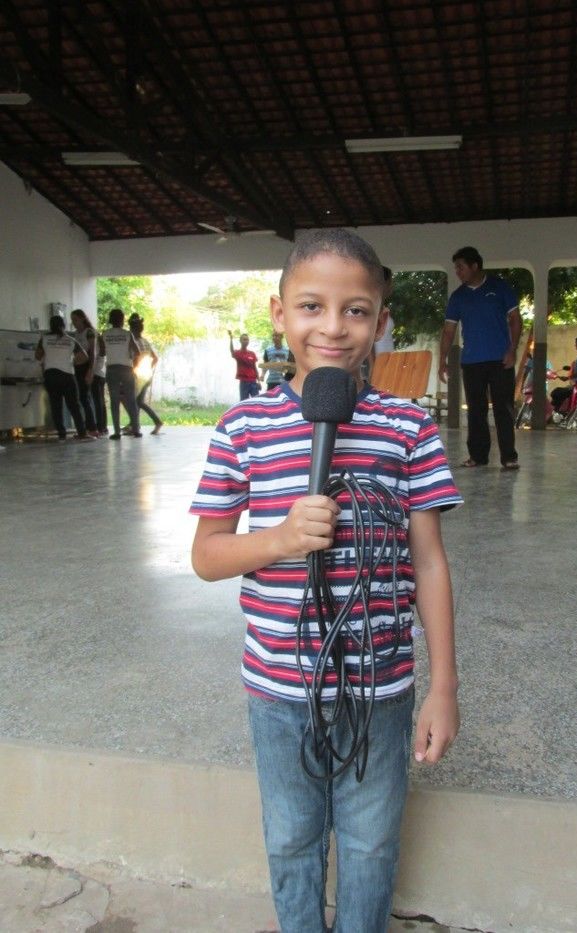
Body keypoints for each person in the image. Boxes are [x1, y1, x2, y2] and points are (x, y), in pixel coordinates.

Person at [190, 229, 462, 933]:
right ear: (279, 313)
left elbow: (429, 560)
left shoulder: (407, 427)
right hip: (280, 688)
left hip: (381, 689)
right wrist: (280, 538)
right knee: (291, 839)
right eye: (312, 306)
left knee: (371, 843)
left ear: (381, 320)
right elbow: (207, 554)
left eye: (357, 310)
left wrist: (443, 686)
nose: (333, 328)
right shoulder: (242, 427)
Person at [438, 246, 522, 470]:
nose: (458, 271)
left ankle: (509, 457)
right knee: (476, 410)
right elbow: (448, 331)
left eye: (461, 267)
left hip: (500, 360)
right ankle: (478, 456)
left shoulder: (500, 287)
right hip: (472, 361)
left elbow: (515, 319)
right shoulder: (458, 297)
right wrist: (442, 361)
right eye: (456, 268)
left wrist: (512, 350)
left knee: (503, 409)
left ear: (475, 266)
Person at [35, 315, 91, 441]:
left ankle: (61, 434)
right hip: (67, 376)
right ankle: (82, 432)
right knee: (74, 405)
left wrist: (48, 357)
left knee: (56, 405)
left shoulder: (44, 339)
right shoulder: (70, 340)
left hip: (50, 375)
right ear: (63, 325)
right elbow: (85, 356)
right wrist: (72, 362)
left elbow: (38, 356)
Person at [103, 308, 141, 440]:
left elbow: (102, 352)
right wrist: (130, 359)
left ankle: (117, 432)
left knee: (114, 401)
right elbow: (137, 351)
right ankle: (136, 430)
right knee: (131, 399)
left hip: (112, 369)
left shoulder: (105, 334)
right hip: (126, 369)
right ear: (122, 319)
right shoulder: (127, 334)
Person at [127, 314, 164, 435]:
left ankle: (156, 422)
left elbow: (133, 359)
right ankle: (133, 425)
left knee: (137, 402)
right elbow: (155, 358)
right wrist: (150, 369)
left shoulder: (133, 342)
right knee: (136, 402)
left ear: (132, 329)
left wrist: (135, 368)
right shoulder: (145, 341)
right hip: (146, 375)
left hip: (138, 376)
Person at [70, 309, 99, 437]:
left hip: (86, 367)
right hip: (77, 366)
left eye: (75, 319)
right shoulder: (76, 334)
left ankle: (92, 427)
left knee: (84, 397)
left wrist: (90, 370)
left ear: (82, 318)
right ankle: (87, 426)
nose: (74, 322)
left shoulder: (89, 333)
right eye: (72, 320)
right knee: (80, 397)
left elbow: (92, 353)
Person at [550, 335, 577, 414]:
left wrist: (568, 378)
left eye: (576, 343)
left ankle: (557, 414)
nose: (575, 345)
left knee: (556, 393)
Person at [228, 331, 260, 400]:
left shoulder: (252, 354)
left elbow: (255, 368)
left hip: (253, 381)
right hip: (244, 382)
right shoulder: (238, 353)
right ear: (240, 341)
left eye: (247, 339)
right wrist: (231, 339)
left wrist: (259, 381)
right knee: (244, 402)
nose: (246, 341)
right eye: (244, 339)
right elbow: (231, 351)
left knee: (257, 401)